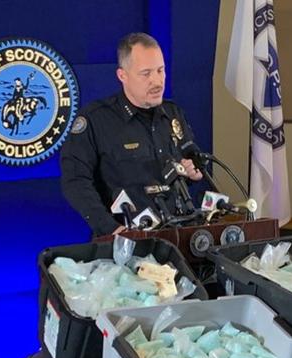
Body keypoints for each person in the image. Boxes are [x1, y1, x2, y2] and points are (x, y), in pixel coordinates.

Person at [60, 32, 202, 236]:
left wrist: (192, 172)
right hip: (125, 241)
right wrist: (111, 229)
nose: (157, 81)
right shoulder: (95, 120)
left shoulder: (173, 114)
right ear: (122, 76)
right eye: (146, 74)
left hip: (177, 235)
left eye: (161, 70)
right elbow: (75, 182)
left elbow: (188, 161)